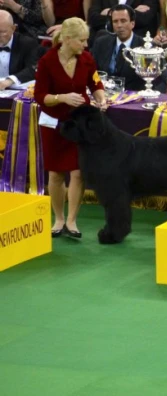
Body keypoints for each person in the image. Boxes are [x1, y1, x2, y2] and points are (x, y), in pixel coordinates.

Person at [34, 17, 106, 240]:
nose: (85, 45)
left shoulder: (86, 59)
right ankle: (59, 219)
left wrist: (101, 99)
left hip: (79, 125)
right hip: (54, 124)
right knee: (56, 174)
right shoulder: (47, 61)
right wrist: (62, 97)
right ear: (67, 39)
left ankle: (72, 220)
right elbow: (40, 96)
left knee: (77, 172)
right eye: (81, 41)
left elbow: (96, 83)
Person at [91, 5, 167, 93]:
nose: (119, 25)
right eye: (115, 21)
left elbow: (163, 64)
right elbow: (91, 69)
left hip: (134, 95)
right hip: (105, 95)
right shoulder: (101, 42)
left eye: (123, 21)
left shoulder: (145, 45)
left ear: (132, 24)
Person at [0, 10, 40, 90]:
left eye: (2, 32)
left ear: (13, 28)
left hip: (16, 90)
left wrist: (10, 80)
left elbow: (32, 69)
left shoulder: (27, 43)